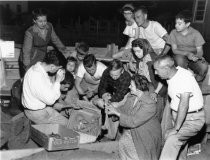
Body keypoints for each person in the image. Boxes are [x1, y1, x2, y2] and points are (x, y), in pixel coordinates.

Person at [153, 55, 205, 160]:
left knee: (172, 140)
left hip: (193, 119)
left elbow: (184, 104)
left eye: (157, 70)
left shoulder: (183, 79)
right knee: (179, 145)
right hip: (181, 116)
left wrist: (176, 128)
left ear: (167, 68)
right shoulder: (174, 72)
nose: (155, 73)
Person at [106, 74, 162, 160]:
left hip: (146, 135)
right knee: (122, 142)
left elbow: (134, 122)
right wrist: (113, 109)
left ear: (138, 89)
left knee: (135, 153)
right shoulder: (131, 97)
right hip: (135, 130)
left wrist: (116, 113)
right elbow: (124, 110)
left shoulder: (149, 103)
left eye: (131, 85)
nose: (129, 87)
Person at [22, 50, 68, 126]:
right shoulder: (37, 76)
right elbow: (50, 101)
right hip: (36, 113)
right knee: (68, 126)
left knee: (66, 121)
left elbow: (48, 90)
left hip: (37, 108)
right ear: (52, 66)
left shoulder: (37, 68)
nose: (57, 71)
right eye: (57, 69)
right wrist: (57, 81)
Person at [20, 8, 69, 75]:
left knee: (41, 75)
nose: (43, 23)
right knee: (31, 76)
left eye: (45, 20)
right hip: (31, 56)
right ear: (34, 20)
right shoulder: (29, 32)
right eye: (40, 21)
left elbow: (55, 39)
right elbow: (26, 51)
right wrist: (27, 66)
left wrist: (64, 50)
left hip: (42, 54)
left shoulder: (49, 26)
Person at [128, 38, 167, 121]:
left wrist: (155, 92)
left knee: (155, 110)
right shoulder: (140, 59)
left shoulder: (153, 59)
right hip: (148, 86)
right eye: (134, 52)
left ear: (145, 48)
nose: (136, 54)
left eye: (138, 51)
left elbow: (163, 79)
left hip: (158, 88)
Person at [168, 10, 208, 82]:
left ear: (187, 24)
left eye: (179, 24)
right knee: (180, 60)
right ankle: (185, 81)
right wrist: (187, 53)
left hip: (193, 56)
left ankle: (195, 82)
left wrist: (196, 56)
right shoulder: (173, 33)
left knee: (204, 67)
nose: (176, 25)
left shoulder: (196, 33)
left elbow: (200, 51)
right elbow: (174, 50)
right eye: (176, 23)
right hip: (179, 54)